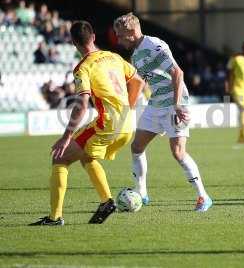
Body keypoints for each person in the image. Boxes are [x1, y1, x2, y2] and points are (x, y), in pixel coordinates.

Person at [30, 20, 144, 226]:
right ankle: (106, 202)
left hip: (108, 124)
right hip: (128, 124)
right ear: (93, 37)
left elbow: (81, 105)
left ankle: (55, 218)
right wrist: (130, 107)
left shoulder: (83, 68)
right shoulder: (114, 56)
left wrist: (65, 137)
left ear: (74, 43)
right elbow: (138, 81)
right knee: (86, 156)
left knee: (61, 158)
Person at [113, 12, 212, 212]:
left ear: (131, 32)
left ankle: (204, 197)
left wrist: (176, 106)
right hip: (156, 102)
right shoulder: (136, 53)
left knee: (178, 152)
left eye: (120, 35)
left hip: (176, 102)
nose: (118, 40)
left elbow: (178, 73)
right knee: (137, 147)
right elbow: (141, 82)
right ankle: (142, 193)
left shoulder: (153, 45)